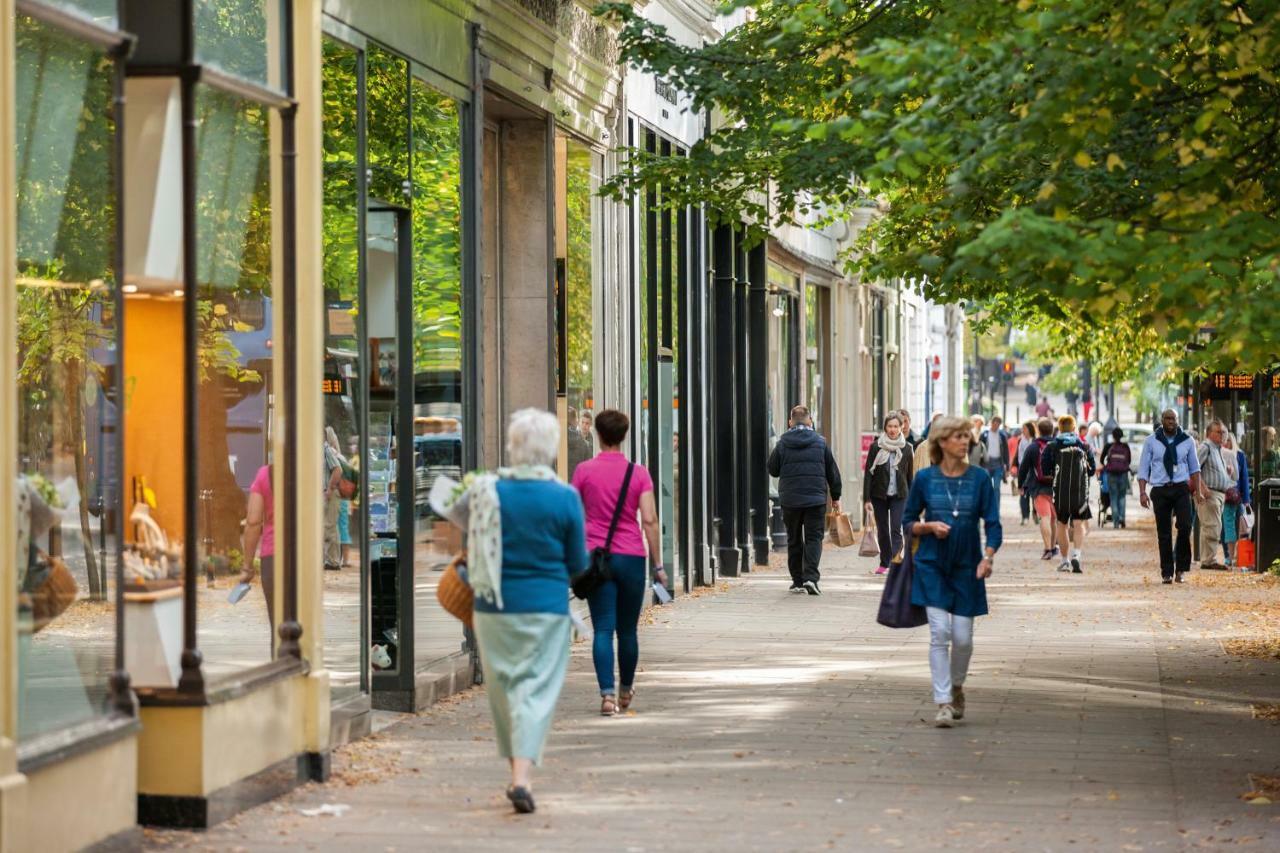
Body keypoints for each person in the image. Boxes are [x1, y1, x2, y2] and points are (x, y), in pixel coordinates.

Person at [465, 408, 586, 814]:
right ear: (551, 450)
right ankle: (521, 777)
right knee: (534, 691)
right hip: (546, 609)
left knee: (504, 691)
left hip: (493, 609)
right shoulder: (565, 498)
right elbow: (577, 563)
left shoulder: (487, 490)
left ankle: (516, 772)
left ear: (514, 447)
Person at [903, 416, 1001, 728]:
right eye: (958, 437)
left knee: (962, 637)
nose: (965, 442)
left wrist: (988, 557)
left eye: (966, 437)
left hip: (967, 565)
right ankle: (943, 701)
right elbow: (907, 522)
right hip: (931, 563)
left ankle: (957, 685)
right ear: (942, 442)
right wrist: (928, 526)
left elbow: (994, 524)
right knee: (939, 633)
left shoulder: (980, 479)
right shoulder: (925, 479)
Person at [571, 410, 666, 716]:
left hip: (596, 558)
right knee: (627, 631)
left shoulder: (584, 471)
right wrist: (658, 564)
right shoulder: (638, 474)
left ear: (598, 435)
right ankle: (626, 690)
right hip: (631, 557)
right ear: (623, 436)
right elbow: (649, 520)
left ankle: (607, 696)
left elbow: (573, 517)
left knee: (602, 629)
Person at [766, 404, 843, 596]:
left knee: (793, 540)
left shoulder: (783, 443)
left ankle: (797, 581)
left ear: (790, 422)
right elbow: (832, 472)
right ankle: (811, 578)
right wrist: (836, 497)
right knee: (813, 539)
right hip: (815, 499)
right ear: (810, 421)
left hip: (790, 499)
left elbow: (773, 469)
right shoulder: (820, 442)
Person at [1137, 409, 1202, 583]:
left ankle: (1181, 567)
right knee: (1164, 533)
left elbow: (1195, 468)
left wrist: (1198, 492)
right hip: (1160, 489)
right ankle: (1167, 572)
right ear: (1162, 420)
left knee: (1186, 526)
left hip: (1181, 488)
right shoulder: (1151, 441)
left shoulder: (1187, 441)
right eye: (1167, 418)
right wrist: (1142, 492)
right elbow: (1143, 468)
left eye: (1173, 418)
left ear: (1178, 420)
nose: (1171, 421)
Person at [862, 412, 914, 575]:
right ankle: (885, 563)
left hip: (900, 494)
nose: (892, 429)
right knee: (883, 529)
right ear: (885, 427)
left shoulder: (907, 448)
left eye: (896, 426)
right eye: (890, 426)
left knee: (896, 528)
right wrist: (867, 498)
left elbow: (910, 475)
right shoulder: (876, 446)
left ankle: (896, 561)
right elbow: (868, 474)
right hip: (879, 495)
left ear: (901, 427)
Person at [1044, 414, 1096, 573]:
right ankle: (1077, 554)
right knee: (1079, 523)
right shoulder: (1084, 446)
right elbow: (1092, 469)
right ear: (1074, 428)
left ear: (1059, 428)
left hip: (1060, 492)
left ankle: (1065, 560)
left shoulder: (1052, 446)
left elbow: (1045, 469)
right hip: (1079, 492)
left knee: (1062, 524)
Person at [239, 464, 276, 636]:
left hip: (273, 558)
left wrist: (247, 566)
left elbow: (253, 522)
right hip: (303, 558)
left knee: (278, 627)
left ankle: (280, 660)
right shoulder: (309, 471)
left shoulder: (266, 474)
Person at [1018, 417, 1059, 560]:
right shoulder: (1058, 445)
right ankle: (1054, 548)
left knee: (1044, 518)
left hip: (1039, 487)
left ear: (1038, 430)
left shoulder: (1033, 447)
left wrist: (1020, 485)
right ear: (1052, 430)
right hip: (1056, 487)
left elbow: (1023, 468)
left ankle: (1047, 549)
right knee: (1053, 519)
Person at [1195, 419, 1232, 570]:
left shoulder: (1217, 449)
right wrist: (1202, 488)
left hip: (1219, 495)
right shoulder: (1206, 447)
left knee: (1214, 527)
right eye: (1219, 432)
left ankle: (1208, 559)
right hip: (1209, 494)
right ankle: (1208, 561)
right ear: (1210, 433)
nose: (1223, 435)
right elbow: (1194, 468)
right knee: (1212, 527)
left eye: (1224, 432)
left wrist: (1227, 474)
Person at [1220, 432, 1248, 567]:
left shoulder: (1239, 455)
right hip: (1225, 496)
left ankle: (1237, 555)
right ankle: (1229, 555)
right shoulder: (1219, 454)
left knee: (1241, 525)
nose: (1226, 444)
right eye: (1224, 441)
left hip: (1238, 496)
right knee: (1228, 525)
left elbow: (1243, 477)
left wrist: (1246, 499)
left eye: (1229, 441)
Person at [1101, 426, 1132, 529]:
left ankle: (1116, 522)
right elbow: (1129, 461)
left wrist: (1107, 466)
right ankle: (1122, 518)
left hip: (1111, 474)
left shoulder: (1109, 446)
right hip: (1123, 474)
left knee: (1113, 497)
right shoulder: (1125, 446)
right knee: (1122, 497)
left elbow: (1102, 460)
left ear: (1113, 436)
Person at [323, 427, 345, 571]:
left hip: (331, 493)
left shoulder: (327, 450)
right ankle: (333, 559)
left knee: (329, 527)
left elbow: (338, 469)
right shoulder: (329, 450)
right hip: (333, 493)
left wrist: (330, 488)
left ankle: (333, 561)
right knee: (332, 527)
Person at [978, 415, 1010, 511]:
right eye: (994, 424)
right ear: (991, 423)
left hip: (998, 464)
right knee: (987, 487)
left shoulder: (1002, 436)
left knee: (996, 487)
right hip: (986, 463)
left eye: (998, 424)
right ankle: (987, 508)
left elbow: (1006, 451)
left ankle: (996, 509)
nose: (995, 426)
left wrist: (1007, 466)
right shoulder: (984, 434)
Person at [1016, 421, 1036, 525]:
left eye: (1024, 428)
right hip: (1023, 469)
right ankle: (1025, 516)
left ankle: (1035, 513)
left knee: (1034, 494)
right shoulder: (1021, 440)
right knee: (1023, 494)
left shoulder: (1035, 440)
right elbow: (1018, 455)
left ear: (1030, 429)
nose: (1023, 431)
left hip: (1033, 471)